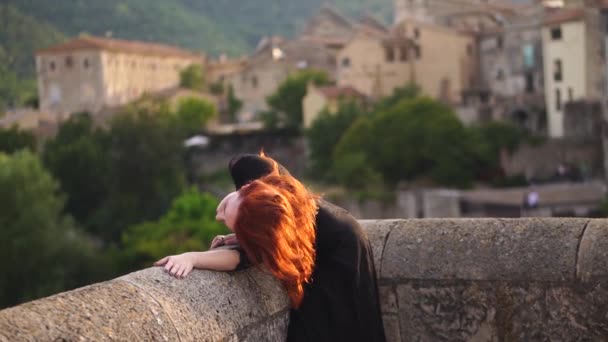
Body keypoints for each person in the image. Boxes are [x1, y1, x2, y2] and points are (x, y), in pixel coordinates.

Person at [156, 153, 386, 342]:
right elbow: (249, 247)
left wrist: (192, 257)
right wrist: (236, 238)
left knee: (336, 327)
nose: (218, 215)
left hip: (339, 251)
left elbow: (241, 258)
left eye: (226, 211)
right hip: (333, 232)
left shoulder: (259, 190)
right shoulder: (252, 176)